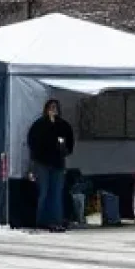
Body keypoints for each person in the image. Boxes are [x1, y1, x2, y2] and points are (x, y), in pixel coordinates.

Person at [27, 98, 76, 231]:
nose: (53, 110)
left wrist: (64, 149)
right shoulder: (39, 125)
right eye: (51, 107)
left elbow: (69, 144)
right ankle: (41, 220)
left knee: (56, 193)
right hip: (42, 163)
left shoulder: (63, 125)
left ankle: (56, 220)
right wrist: (33, 164)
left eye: (55, 107)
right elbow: (32, 143)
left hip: (58, 163)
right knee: (43, 192)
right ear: (46, 109)